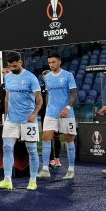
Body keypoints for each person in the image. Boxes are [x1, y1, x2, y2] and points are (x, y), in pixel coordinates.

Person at [0, 51, 42, 191]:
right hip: (11, 120)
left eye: (15, 66)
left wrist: (34, 114)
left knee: (32, 150)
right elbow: (7, 97)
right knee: (7, 147)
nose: (13, 69)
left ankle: (33, 180)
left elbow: (39, 100)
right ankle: (7, 180)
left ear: (21, 62)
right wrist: (6, 115)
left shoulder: (31, 78)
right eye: (10, 66)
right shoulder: (8, 77)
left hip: (28, 120)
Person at [37, 52, 78, 180]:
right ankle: (45, 169)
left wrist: (67, 108)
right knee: (45, 137)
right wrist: (47, 108)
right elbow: (49, 95)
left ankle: (71, 170)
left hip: (66, 113)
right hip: (51, 113)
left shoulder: (68, 75)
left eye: (53, 62)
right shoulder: (47, 77)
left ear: (59, 62)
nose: (51, 64)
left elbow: (74, 94)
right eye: (49, 63)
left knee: (69, 139)